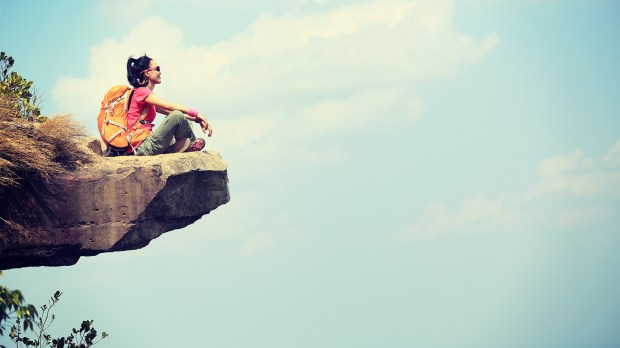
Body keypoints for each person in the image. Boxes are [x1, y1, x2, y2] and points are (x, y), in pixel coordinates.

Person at [125, 54, 212, 155]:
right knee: (177, 115)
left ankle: (180, 148)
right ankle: (190, 146)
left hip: (147, 143)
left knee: (184, 119)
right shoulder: (141, 92)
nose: (160, 72)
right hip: (142, 146)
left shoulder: (145, 96)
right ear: (147, 73)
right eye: (157, 69)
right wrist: (197, 113)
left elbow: (169, 111)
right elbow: (170, 107)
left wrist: (197, 119)